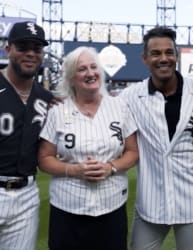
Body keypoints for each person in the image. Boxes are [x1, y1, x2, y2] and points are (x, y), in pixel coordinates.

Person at [120, 26, 193, 250]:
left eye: (169, 52)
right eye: (156, 53)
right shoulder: (129, 97)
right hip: (151, 201)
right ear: (144, 58)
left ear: (176, 56)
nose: (164, 58)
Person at [38, 46, 138, 250]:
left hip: (111, 206)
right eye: (82, 69)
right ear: (71, 78)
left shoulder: (120, 107)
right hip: (68, 208)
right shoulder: (57, 110)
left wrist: (110, 167)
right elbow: (44, 159)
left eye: (94, 67)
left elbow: (133, 152)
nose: (90, 73)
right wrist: (73, 169)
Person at [0, 21, 53, 250]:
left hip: (26, 196)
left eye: (37, 48)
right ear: (8, 48)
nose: (31, 53)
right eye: (23, 47)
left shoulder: (46, 98)